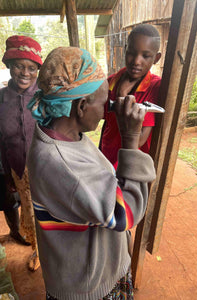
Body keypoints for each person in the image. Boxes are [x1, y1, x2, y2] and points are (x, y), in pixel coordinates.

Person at [27, 46, 156, 300]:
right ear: (82, 106)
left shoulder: (64, 135)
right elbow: (124, 214)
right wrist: (130, 139)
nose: (108, 108)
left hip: (92, 273)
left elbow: (101, 189)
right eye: (104, 102)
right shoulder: (62, 163)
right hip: (90, 288)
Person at [0, 35, 43, 271]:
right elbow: (2, 142)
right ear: (9, 67)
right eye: (19, 66)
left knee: (50, 214)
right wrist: (9, 176)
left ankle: (54, 252)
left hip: (47, 170)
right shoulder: (1, 99)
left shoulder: (46, 97)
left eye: (31, 67)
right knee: (29, 213)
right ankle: (37, 250)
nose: (25, 73)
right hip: (18, 171)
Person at [99, 24, 162, 168]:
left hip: (131, 165)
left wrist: (121, 96)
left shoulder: (154, 87)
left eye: (145, 56)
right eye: (132, 53)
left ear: (156, 58)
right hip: (105, 157)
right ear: (125, 50)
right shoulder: (112, 81)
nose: (136, 61)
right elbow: (101, 117)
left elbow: (139, 140)